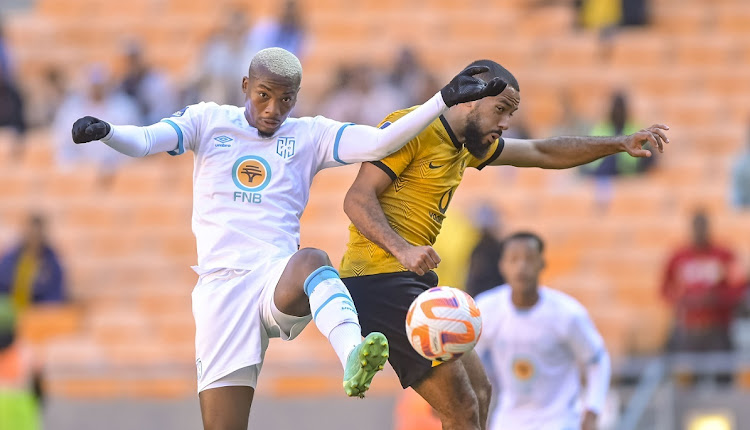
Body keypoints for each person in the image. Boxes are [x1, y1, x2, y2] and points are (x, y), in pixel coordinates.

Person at [69, 47, 505, 430]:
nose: (273, 109)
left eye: (285, 99)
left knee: (313, 259)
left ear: (296, 97)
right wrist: (108, 133)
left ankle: (354, 354)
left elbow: (378, 142)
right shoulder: (207, 121)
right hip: (222, 289)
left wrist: (441, 100)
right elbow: (145, 140)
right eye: (264, 95)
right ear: (245, 86)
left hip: (278, 276)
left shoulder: (308, 134)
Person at [339, 59, 668, 429]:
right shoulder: (414, 128)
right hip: (376, 279)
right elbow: (357, 199)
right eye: (500, 110)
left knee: (481, 393)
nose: (505, 123)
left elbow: (542, 153)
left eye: (510, 114)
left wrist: (617, 144)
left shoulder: (466, 146)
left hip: (411, 282)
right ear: (467, 100)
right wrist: (403, 249)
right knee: (461, 407)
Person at [474, 232, 611, 430]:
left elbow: (597, 361)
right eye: (514, 259)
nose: (521, 267)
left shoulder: (568, 314)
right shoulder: (486, 310)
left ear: (542, 264)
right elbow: (469, 360)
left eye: (529, 259)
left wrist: (592, 410)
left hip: (559, 421)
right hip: (509, 421)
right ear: (502, 265)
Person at [662, 210, 747, 354]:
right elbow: (664, 288)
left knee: (721, 369)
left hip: (718, 326)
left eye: (703, 227)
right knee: (687, 369)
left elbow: (740, 287)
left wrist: (719, 298)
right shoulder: (679, 257)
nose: (700, 232)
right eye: (697, 227)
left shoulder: (723, 255)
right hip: (689, 327)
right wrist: (681, 299)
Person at [0, 214, 66, 312]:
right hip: (9, 314)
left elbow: (54, 299)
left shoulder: (52, 265)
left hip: (37, 317)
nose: (33, 238)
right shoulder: (9, 259)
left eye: (37, 234)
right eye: (30, 233)